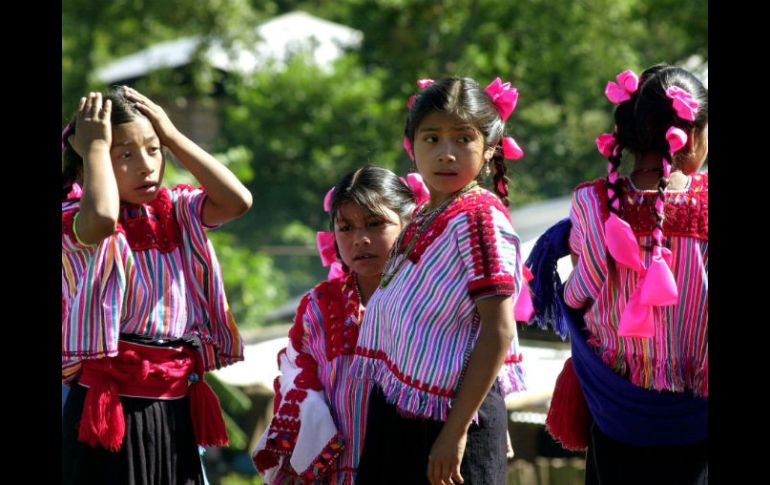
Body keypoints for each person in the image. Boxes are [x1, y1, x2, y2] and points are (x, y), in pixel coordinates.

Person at [61, 86, 252, 484]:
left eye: (153, 150)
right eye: (124, 155)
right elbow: (101, 220)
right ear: (87, 164)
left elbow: (237, 201)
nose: (146, 166)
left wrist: (171, 133)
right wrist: (94, 147)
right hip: (112, 403)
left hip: (172, 397)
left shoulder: (175, 210)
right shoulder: (76, 218)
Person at [529, 64, 708, 485]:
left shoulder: (594, 203)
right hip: (696, 403)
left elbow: (579, 293)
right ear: (695, 138)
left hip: (617, 406)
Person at [351, 77, 528, 485]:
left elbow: (498, 331)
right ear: (412, 147)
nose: (446, 154)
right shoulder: (429, 214)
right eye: (431, 139)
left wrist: (455, 433)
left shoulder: (479, 218)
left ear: (488, 150)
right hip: (408, 416)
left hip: (448, 425)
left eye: (462, 138)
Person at [252, 166, 427, 484]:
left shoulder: (429, 299)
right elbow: (296, 380)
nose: (360, 239)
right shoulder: (318, 306)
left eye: (375, 224)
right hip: (336, 472)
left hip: (411, 465)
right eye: (346, 228)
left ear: (410, 224)